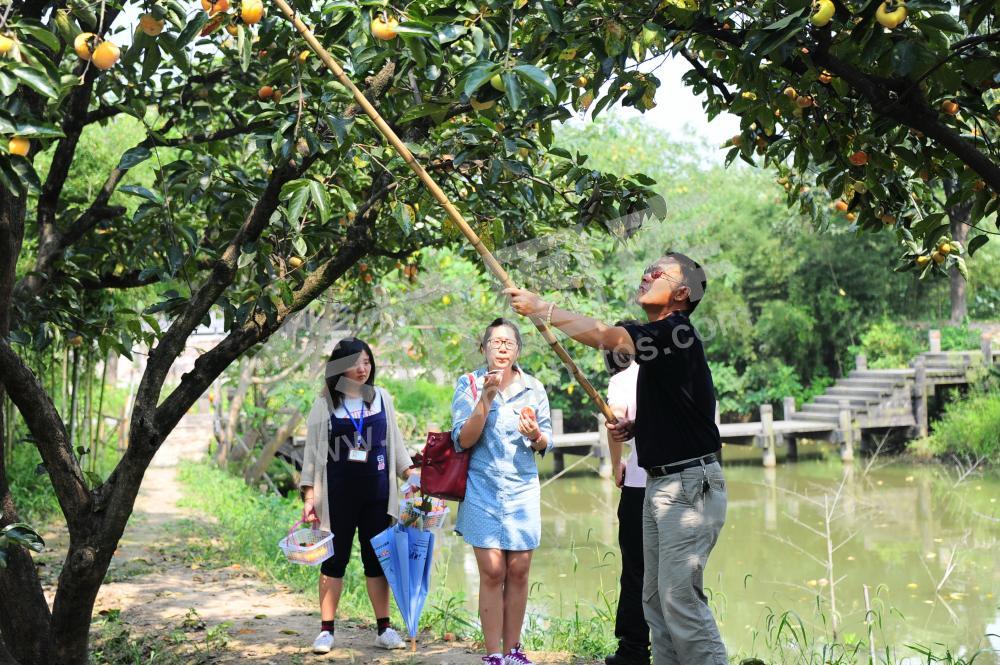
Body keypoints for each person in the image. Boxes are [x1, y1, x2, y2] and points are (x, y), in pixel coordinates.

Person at [504, 252, 728, 665]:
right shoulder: (657, 341)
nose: (646, 276)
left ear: (681, 293)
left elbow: (608, 338)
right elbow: (684, 410)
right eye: (646, 269)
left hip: (688, 486)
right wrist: (639, 431)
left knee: (680, 599)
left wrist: (542, 308)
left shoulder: (676, 332)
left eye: (657, 273)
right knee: (655, 601)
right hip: (661, 483)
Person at [299, 337, 419, 654]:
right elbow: (311, 457)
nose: (362, 368)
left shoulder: (380, 398)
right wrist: (310, 498)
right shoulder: (325, 404)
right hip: (337, 499)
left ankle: (384, 628)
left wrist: (410, 474)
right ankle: (326, 631)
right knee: (333, 563)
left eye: (366, 361)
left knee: (378, 562)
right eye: (354, 363)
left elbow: (396, 446)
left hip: (377, 498)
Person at [451, 318, 553, 665]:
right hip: (483, 486)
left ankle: (514, 651)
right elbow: (463, 440)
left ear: (518, 350)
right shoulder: (468, 385)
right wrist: (486, 397)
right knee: (493, 571)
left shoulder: (534, 388)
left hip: (522, 487)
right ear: (484, 349)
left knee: (520, 570)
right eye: (496, 342)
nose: (503, 347)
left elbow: (546, 441)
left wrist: (536, 434)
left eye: (509, 342)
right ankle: (493, 653)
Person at [602, 323, 650, 665]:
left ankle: (634, 650)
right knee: (673, 573)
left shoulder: (622, 380)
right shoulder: (676, 371)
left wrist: (617, 463)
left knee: (635, 569)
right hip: (683, 483)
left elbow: (616, 424)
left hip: (639, 484)